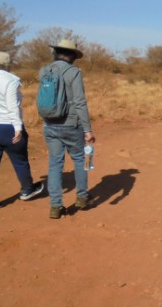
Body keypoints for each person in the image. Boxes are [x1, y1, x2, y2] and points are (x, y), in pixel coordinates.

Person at [0, 52, 44, 211]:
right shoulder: (11, 80)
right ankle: (27, 190)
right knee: (20, 160)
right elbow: (12, 106)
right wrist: (18, 128)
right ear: (8, 64)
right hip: (6, 127)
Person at [39, 40, 96, 219]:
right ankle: (82, 197)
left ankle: (55, 206)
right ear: (72, 55)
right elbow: (79, 102)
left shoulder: (44, 70)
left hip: (49, 123)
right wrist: (88, 129)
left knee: (55, 164)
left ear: (56, 52)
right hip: (71, 125)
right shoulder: (73, 72)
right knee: (80, 159)